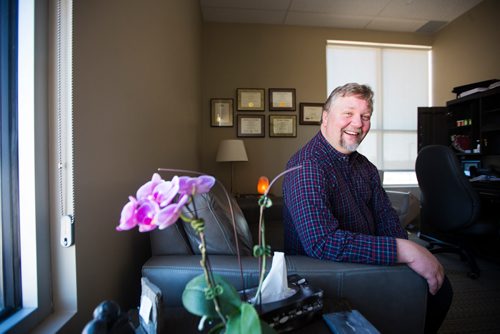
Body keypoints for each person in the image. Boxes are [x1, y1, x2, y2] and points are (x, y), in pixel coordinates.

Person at [282, 83, 452, 333]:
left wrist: (404, 256)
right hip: (329, 272)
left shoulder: (364, 166)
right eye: (348, 113)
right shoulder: (307, 166)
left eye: (365, 116)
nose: (358, 123)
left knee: (434, 284)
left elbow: (386, 218)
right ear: (326, 117)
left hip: (366, 261)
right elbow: (321, 243)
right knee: (440, 292)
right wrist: (404, 251)